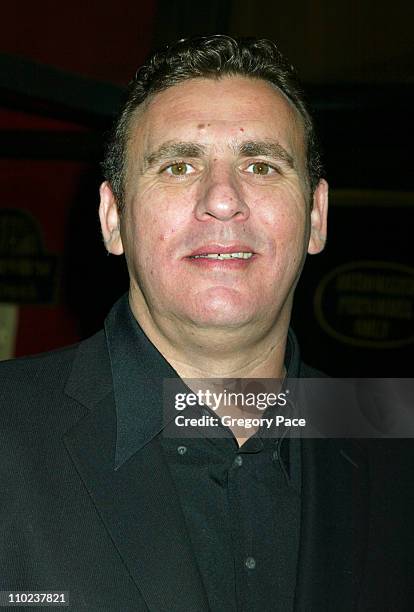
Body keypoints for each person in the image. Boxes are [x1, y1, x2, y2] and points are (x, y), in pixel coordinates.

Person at [0, 35, 412, 611]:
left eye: (262, 165)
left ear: (316, 218)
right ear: (113, 218)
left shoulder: (395, 436)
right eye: (178, 165)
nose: (222, 199)